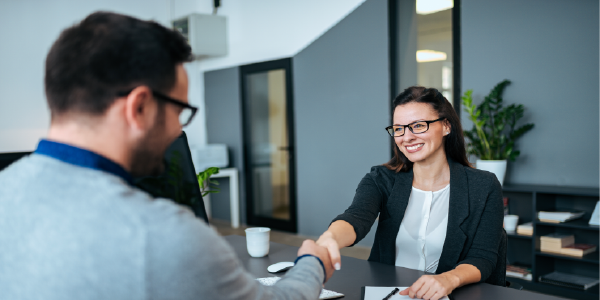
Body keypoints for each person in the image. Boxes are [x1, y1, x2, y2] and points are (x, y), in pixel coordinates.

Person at [0, 12, 333, 300]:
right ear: (140, 107)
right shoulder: (158, 236)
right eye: (180, 111)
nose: (178, 130)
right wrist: (313, 263)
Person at [316, 87, 504, 300]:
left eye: (418, 126)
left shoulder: (483, 185)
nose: (407, 137)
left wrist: (448, 279)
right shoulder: (382, 179)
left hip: (452, 294)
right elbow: (356, 217)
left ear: (445, 126)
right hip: (390, 293)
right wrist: (330, 238)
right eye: (398, 129)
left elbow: (483, 257)